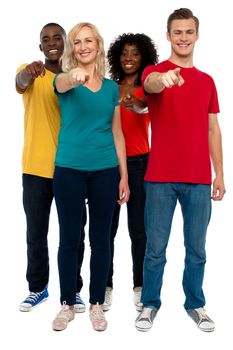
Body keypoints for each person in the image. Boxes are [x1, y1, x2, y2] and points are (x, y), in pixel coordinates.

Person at [135, 8, 226, 332]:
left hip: (199, 180)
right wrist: (166, 77)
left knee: (197, 249)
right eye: (177, 32)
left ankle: (195, 303)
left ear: (197, 35)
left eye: (189, 32)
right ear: (168, 35)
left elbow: (212, 128)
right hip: (160, 178)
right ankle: (149, 304)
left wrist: (220, 174)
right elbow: (152, 86)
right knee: (155, 249)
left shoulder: (207, 81)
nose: (183, 38)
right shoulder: (154, 71)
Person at [51, 22, 130, 332]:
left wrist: (123, 176)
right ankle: (67, 303)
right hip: (68, 169)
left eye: (88, 41)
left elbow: (118, 133)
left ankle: (96, 303)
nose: (83, 46)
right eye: (77, 42)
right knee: (70, 239)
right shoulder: (63, 80)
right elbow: (63, 84)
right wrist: (74, 76)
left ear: (97, 45)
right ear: (73, 48)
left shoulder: (111, 88)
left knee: (101, 241)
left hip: (105, 171)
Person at [16, 23, 86, 313]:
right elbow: (19, 82)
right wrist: (27, 73)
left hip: (71, 168)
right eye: (46, 39)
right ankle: (37, 288)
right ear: (40, 47)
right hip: (35, 168)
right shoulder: (32, 72)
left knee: (74, 234)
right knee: (36, 232)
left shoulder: (76, 78)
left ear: (66, 44)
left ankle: (73, 290)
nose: (52, 42)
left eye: (58, 37)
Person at [103, 33, 158, 312]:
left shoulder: (148, 88)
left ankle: (140, 286)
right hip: (110, 164)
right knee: (106, 230)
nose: (128, 58)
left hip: (141, 164)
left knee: (139, 231)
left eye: (135, 53)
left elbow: (145, 105)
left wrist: (135, 105)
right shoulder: (111, 88)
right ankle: (106, 285)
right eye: (124, 53)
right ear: (116, 56)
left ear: (143, 57)